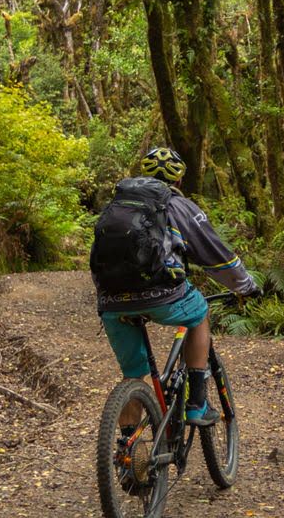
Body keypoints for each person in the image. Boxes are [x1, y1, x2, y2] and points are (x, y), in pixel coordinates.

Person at [90, 147, 258, 425]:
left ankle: (125, 455)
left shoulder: (117, 206)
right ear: (179, 180)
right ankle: (197, 405)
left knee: (133, 376)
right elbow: (218, 257)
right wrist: (246, 286)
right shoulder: (179, 206)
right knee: (199, 313)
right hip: (162, 294)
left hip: (111, 300)